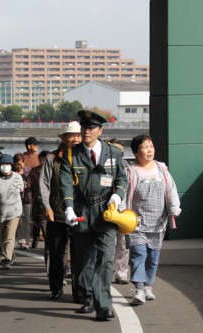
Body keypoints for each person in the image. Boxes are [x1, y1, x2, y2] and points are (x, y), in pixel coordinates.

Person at [60, 110, 128, 321]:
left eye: (90, 128)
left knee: (105, 260)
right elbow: (65, 185)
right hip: (82, 212)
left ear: (100, 130)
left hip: (106, 214)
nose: (86, 132)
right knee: (86, 261)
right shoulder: (71, 155)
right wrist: (68, 208)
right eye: (83, 128)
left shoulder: (113, 153)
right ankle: (89, 296)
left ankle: (103, 305)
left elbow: (122, 179)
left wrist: (117, 196)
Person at [121, 135, 181, 305]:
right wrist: (121, 214)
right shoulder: (130, 171)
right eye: (145, 147)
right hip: (136, 223)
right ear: (135, 152)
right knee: (138, 254)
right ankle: (139, 288)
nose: (150, 150)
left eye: (151, 146)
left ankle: (148, 286)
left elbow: (171, 189)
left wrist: (175, 207)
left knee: (153, 257)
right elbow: (124, 194)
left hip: (158, 223)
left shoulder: (162, 169)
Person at [40, 121, 82, 301]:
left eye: (78, 135)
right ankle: (55, 287)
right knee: (56, 254)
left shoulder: (86, 157)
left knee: (80, 254)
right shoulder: (52, 158)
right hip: (57, 213)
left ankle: (79, 291)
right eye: (71, 135)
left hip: (80, 214)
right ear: (64, 138)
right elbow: (44, 184)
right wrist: (46, 206)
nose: (75, 139)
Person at [0, 154, 23, 270]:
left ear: (11, 166)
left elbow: (21, 191)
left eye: (7, 165)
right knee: (1, 237)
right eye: (3, 165)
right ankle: (10, 253)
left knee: (10, 236)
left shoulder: (18, 177)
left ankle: (6, 258)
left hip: (15, 212)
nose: (5, 167)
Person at [107, 139, 130, 285]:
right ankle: (107, 271)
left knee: (123, 244)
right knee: (109, 242)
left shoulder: (128, 167)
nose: (118, 154)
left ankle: (122, 272)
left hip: (124, 211)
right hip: (106, 211)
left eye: (121, 152)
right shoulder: (103, 165)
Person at [26, 150, 50, 249]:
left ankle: (48, 242)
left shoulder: (52, 170)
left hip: (50, 200)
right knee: (37, 220)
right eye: (41, 159)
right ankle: (35, 238)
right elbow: (29, 183)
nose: (43, 161)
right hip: (37, 199)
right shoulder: (34, 171)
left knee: (44, 221)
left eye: (45, 159)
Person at [13, 153, 30, 250]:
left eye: (21, 164)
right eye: (17, 164)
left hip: (26, 199)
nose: (19, 166)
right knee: (15, 221)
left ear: (24, 163)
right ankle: (14, 240)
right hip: (14, 200)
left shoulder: (29, 173)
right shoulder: (11, 173)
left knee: (26, 221)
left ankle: (24, 241)